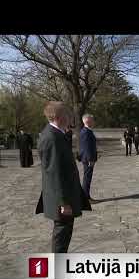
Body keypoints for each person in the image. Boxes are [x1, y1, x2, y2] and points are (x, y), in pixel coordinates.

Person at [35, 102, 91, 253]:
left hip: (65, 193)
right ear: (59, 117)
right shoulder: (52, 138)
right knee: (61, 235)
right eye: (67, 114)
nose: (70, 117)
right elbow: (54, 172)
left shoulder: (55, 134)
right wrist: (63, 202)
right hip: (62, 197)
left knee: (64, 234)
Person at [79, 113, 98, 204]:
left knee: (87, 178)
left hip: (87, 158)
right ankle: (85, 198)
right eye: (92, 120)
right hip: (88, 159)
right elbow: (86, 147)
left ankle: (86, 197)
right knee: (87, 178)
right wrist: (91, 159)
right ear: (88, 121)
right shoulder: (86, 132)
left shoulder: (87, 131)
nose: (94, 122)